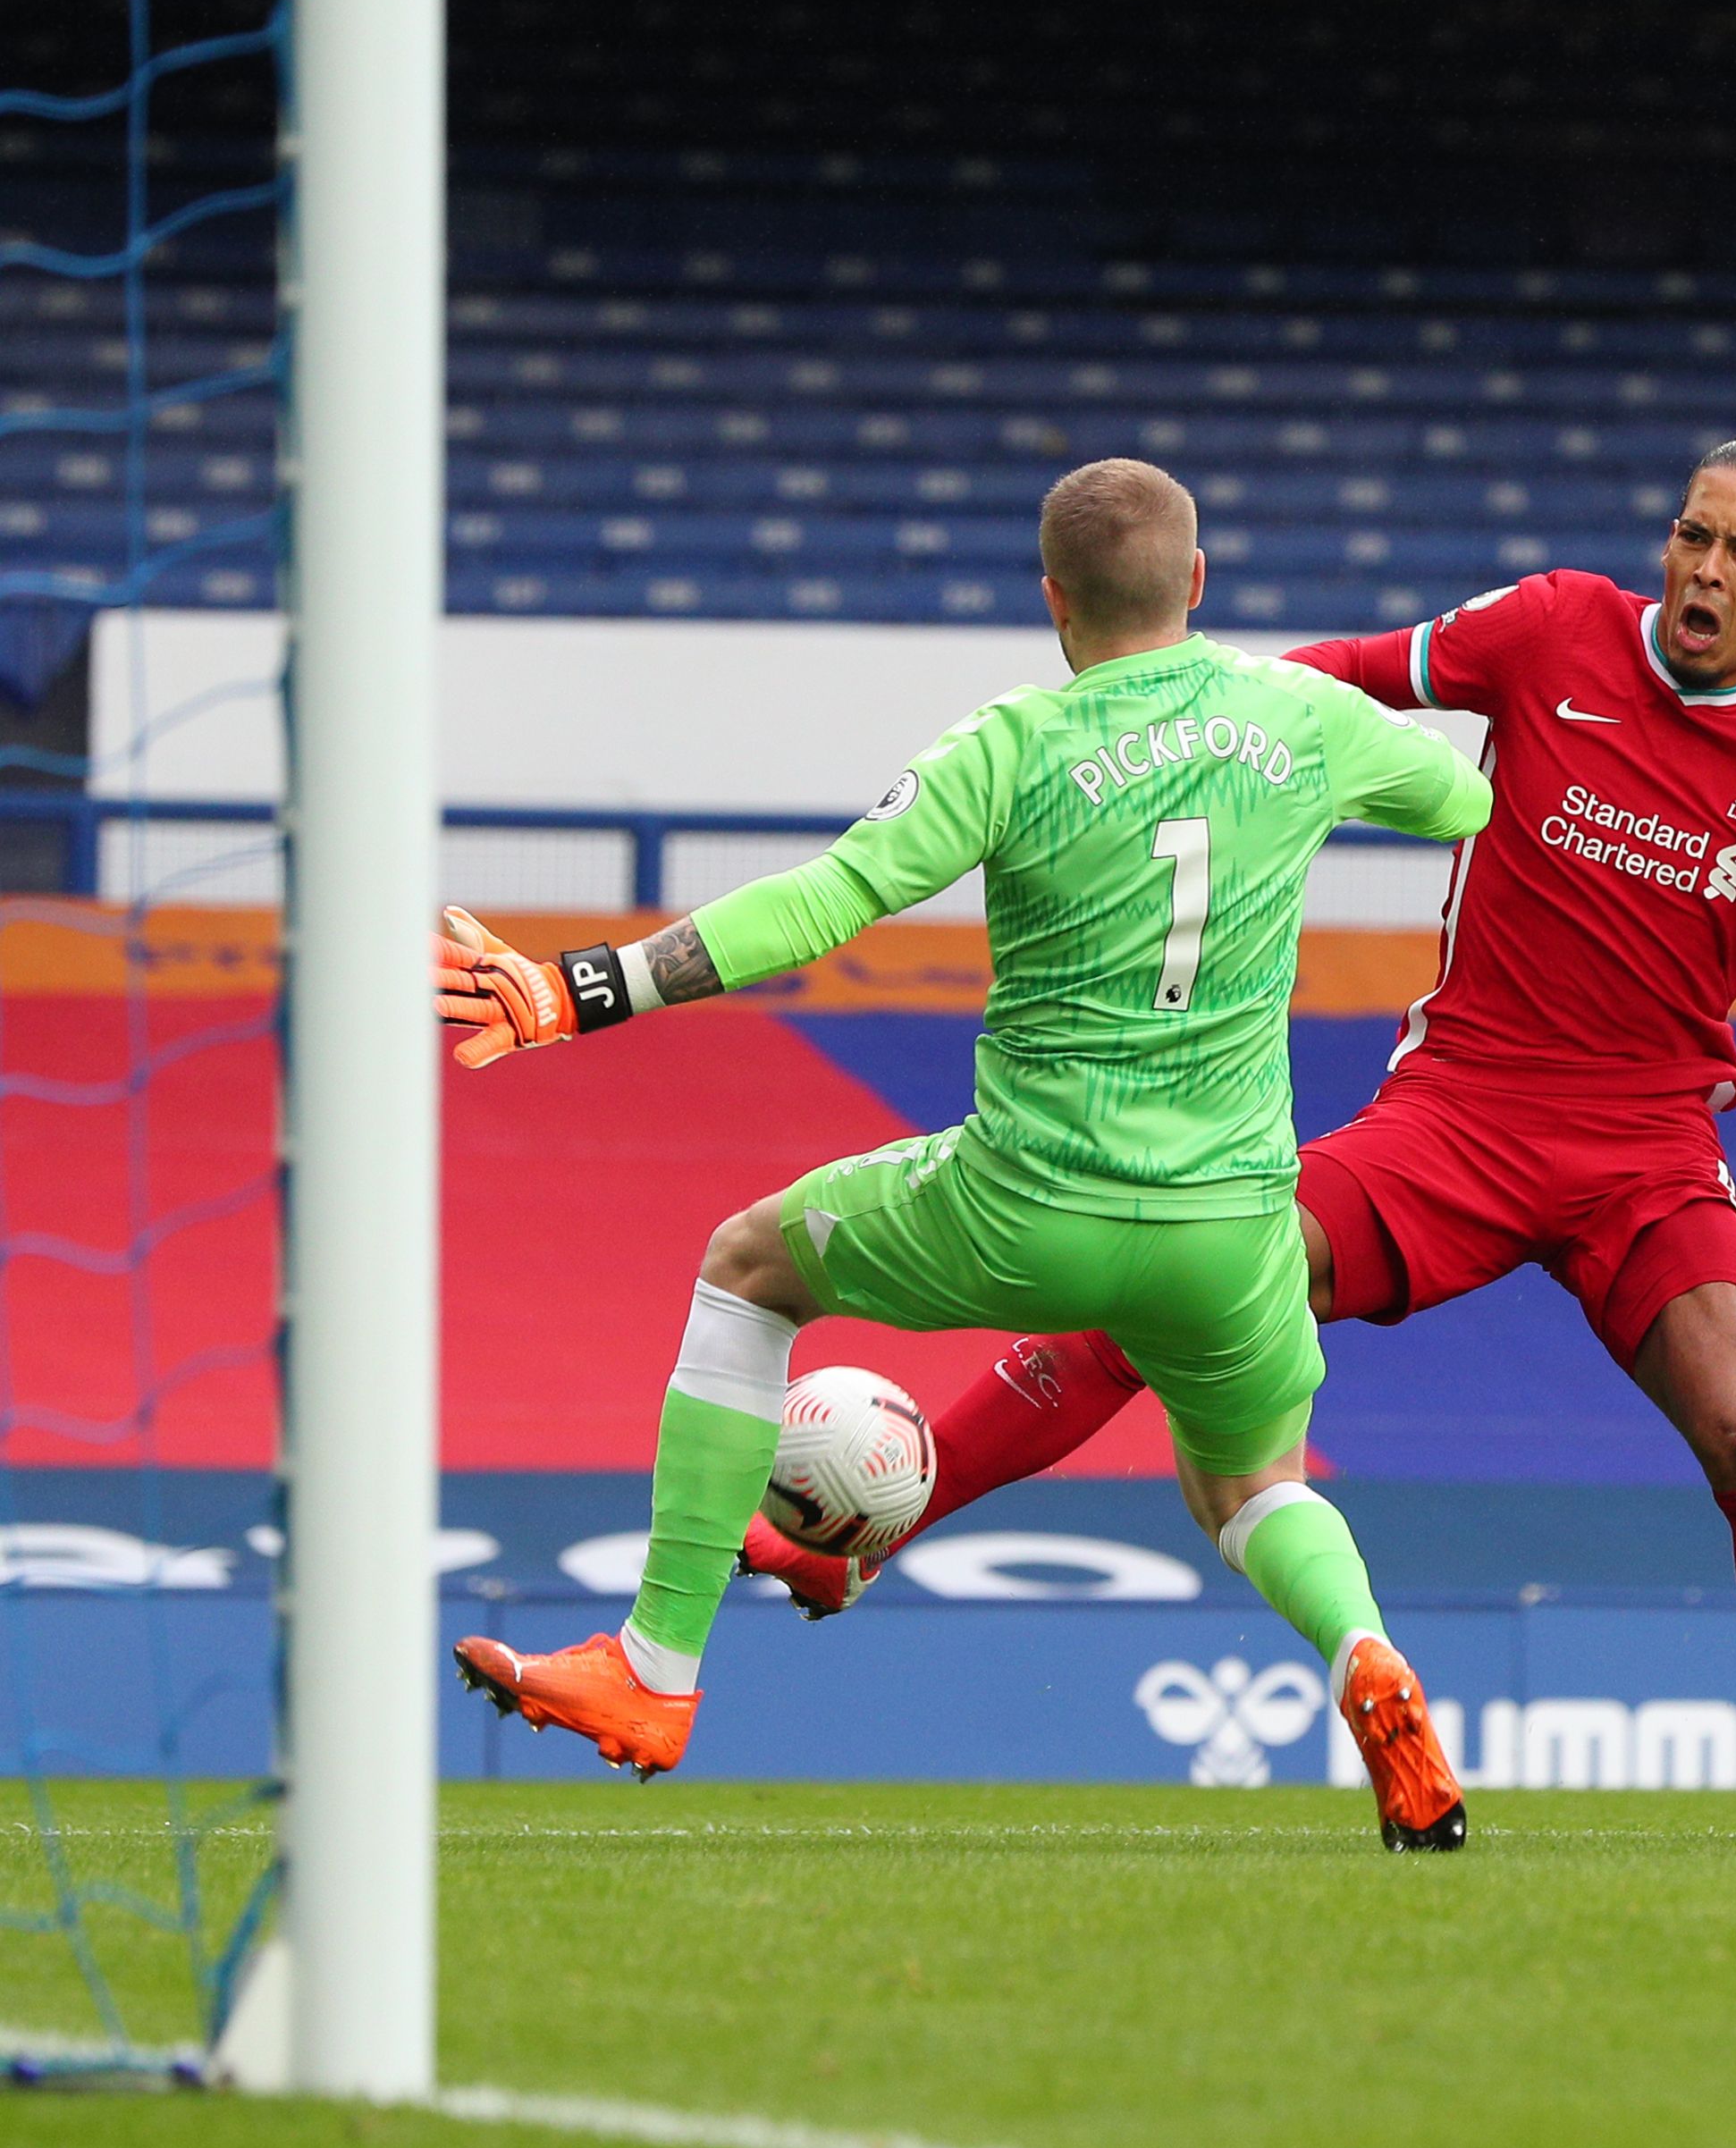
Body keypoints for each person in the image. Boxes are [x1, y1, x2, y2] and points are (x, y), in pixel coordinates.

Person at [739, 436, 1736, 1844]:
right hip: (1462, 1113)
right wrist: (1173, 724)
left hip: (1646, 1142)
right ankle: (872, 1537)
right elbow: (1321, 677)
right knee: (1187, 1284)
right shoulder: (1550, 625)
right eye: (1690, 534)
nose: (1701, 568)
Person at [433, 458, 1493, 1850]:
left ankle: (654, 1669)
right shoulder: (1292, 712)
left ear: (1050, 599)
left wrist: (582, 989)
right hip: (1234, 1227)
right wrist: (1278, 732)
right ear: (1198, 583)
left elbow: (826, 902)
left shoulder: (1009, 743)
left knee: (748, 1265)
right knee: (1253, 1485)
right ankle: (1359, 1647)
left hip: (1025, 1206)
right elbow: (1458, 805)